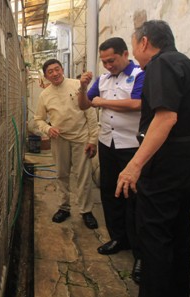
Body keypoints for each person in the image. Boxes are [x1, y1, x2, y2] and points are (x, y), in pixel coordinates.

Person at [116, 20, 190, 297]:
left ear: (144, 42)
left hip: (166, 163)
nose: (135, 54)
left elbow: (165, 118)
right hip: (188, 159)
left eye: (133, 46)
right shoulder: (187, 63)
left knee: (154, 238)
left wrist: (134, 165)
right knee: (178, 234)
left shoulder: (160, 64)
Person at [78, 37, 144, 283]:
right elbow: (85, 105)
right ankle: (118, 237)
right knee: (109, 192)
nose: (108, 66)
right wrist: (83, 88)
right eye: (104, 62)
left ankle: (141, 253)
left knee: (134, 197)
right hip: (108, 143)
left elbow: (137, 103)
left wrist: (103, 102)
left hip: (132, 146)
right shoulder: (103, 79)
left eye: (112, 60)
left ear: (125, 54)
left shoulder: (139, 74)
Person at [34, 59, 99, 229]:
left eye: (57, 69)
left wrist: (93, 140)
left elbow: (90, 114)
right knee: (61, 175)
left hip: (81, 139)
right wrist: (48, 129)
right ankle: (64, 207)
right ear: (46, 75)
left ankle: (86, 211)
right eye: (50, 72)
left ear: (62, 69)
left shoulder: (78, 85)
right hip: (59, 140)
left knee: (83, 176)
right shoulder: (45, 95)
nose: (55, 74)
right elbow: (38, 119)